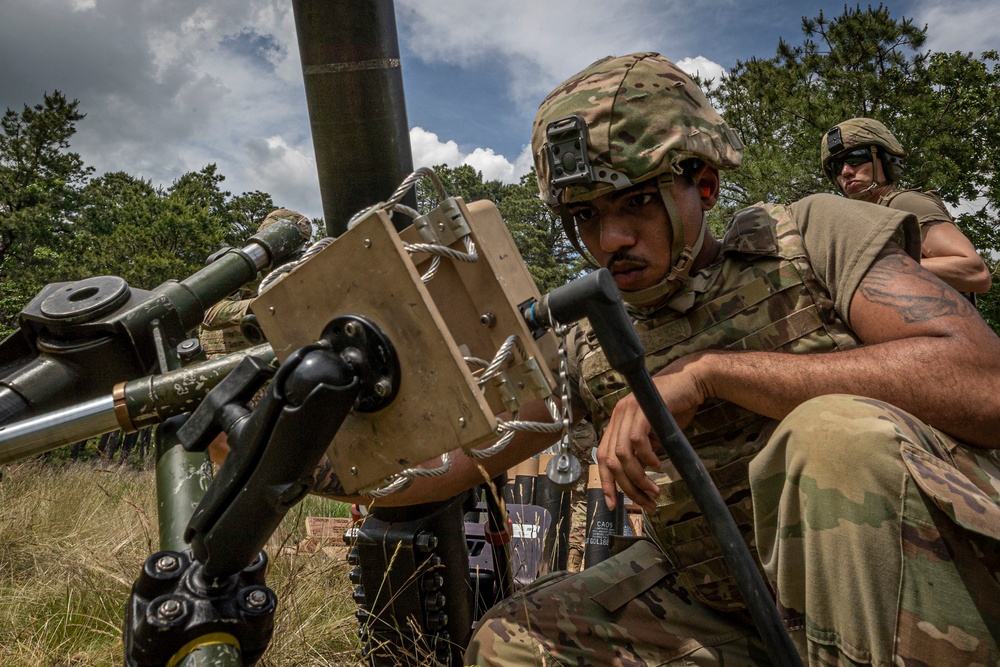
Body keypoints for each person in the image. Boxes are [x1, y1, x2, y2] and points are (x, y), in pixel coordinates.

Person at [449, 53, 1000, 665]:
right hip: (730, 611)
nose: (610, 240)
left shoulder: (812, 236)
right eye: (585, 215)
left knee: (834, 437)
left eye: (634, 202)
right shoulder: (587, 343)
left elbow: (984, 385)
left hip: (927, 596)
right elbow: (453, 456)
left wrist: (711, 374)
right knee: (515, 643)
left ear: (703, 185)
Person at [821, 117, 991, 296]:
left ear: (886, 160)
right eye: (837, 166)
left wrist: (876, 268)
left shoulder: (903, 203)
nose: (845, 172)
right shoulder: (858, 223)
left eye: (856, 158)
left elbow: (974, 272)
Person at [199, 208, 312, 358]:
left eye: (302, 242)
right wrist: (257, 306)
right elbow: (208, 314)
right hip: (224, 363)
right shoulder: (237, 266)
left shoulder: (297, 271)